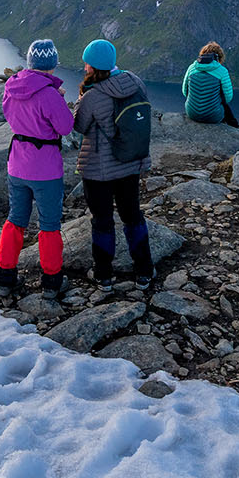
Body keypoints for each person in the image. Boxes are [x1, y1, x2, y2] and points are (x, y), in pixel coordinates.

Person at [0, 39, 75, 299]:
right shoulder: (49, 93)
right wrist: (61, 101)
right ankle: (52, 282)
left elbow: (9, 115)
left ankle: (5, 278)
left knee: (15, 220)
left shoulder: (11, 86)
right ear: (52, 65)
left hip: (17, 163)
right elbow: (65, 127)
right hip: (46, 169)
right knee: (49, 225)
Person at [73, 38, 153, 290]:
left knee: (103, 220)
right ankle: (144, 271)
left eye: (86, 63)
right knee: (132, 216)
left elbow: (79, 126)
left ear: (93, 66)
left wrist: (79, 100)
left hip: (99, 170)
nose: (84, 67)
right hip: (130, 163)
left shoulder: (93, 95)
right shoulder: (135, 81)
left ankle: (104, 275)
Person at [182, 40, 239, 128]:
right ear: (218, 57)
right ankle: (235, 125)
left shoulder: (192, 68)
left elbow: (184, 91)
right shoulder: (222, 71)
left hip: (192, 114)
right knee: (224, 105)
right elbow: (228, 97)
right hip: (213, 117)